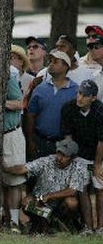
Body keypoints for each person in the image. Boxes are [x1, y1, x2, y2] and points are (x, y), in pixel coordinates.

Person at [2, 139, 86, 233]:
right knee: (26, 203)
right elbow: (24, 168)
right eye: (59, 153)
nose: (59, 158)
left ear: (72, 157)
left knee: (72, 202)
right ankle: (45, 223)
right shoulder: (47, 160)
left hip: (59, 204)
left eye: (64, 155)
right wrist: (7, 169)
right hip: (40, 201)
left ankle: (63, 222)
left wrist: (50, 196)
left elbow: (72, 190)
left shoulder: (78, 166)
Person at [61, 80, 103, 235]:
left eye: (85, 95)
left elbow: (101, 141)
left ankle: (101, 228)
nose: (80, 98)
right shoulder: (68, 108)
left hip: (100, 154)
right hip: (79, 154)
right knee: (82, 188)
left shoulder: (100, 110)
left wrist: (97, 165)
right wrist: (69, 158)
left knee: (100, 189)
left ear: (93, 98)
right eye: (79, 93)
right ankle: (88, 227)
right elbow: (68, 137)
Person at [25, 50, 78, 160]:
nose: (51, 63)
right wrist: (30, 142)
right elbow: (30, 116)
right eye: (50, 61)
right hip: (39, 142)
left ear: (65, 66)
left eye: (55, 61)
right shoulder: (40, 88)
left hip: (63, 146)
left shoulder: (76, 91)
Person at [1, 73, 26, 234]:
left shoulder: (7, 76)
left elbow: (19, 103)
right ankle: (0, 218)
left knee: (14, 181)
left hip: (11, 133)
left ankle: (15, 222)